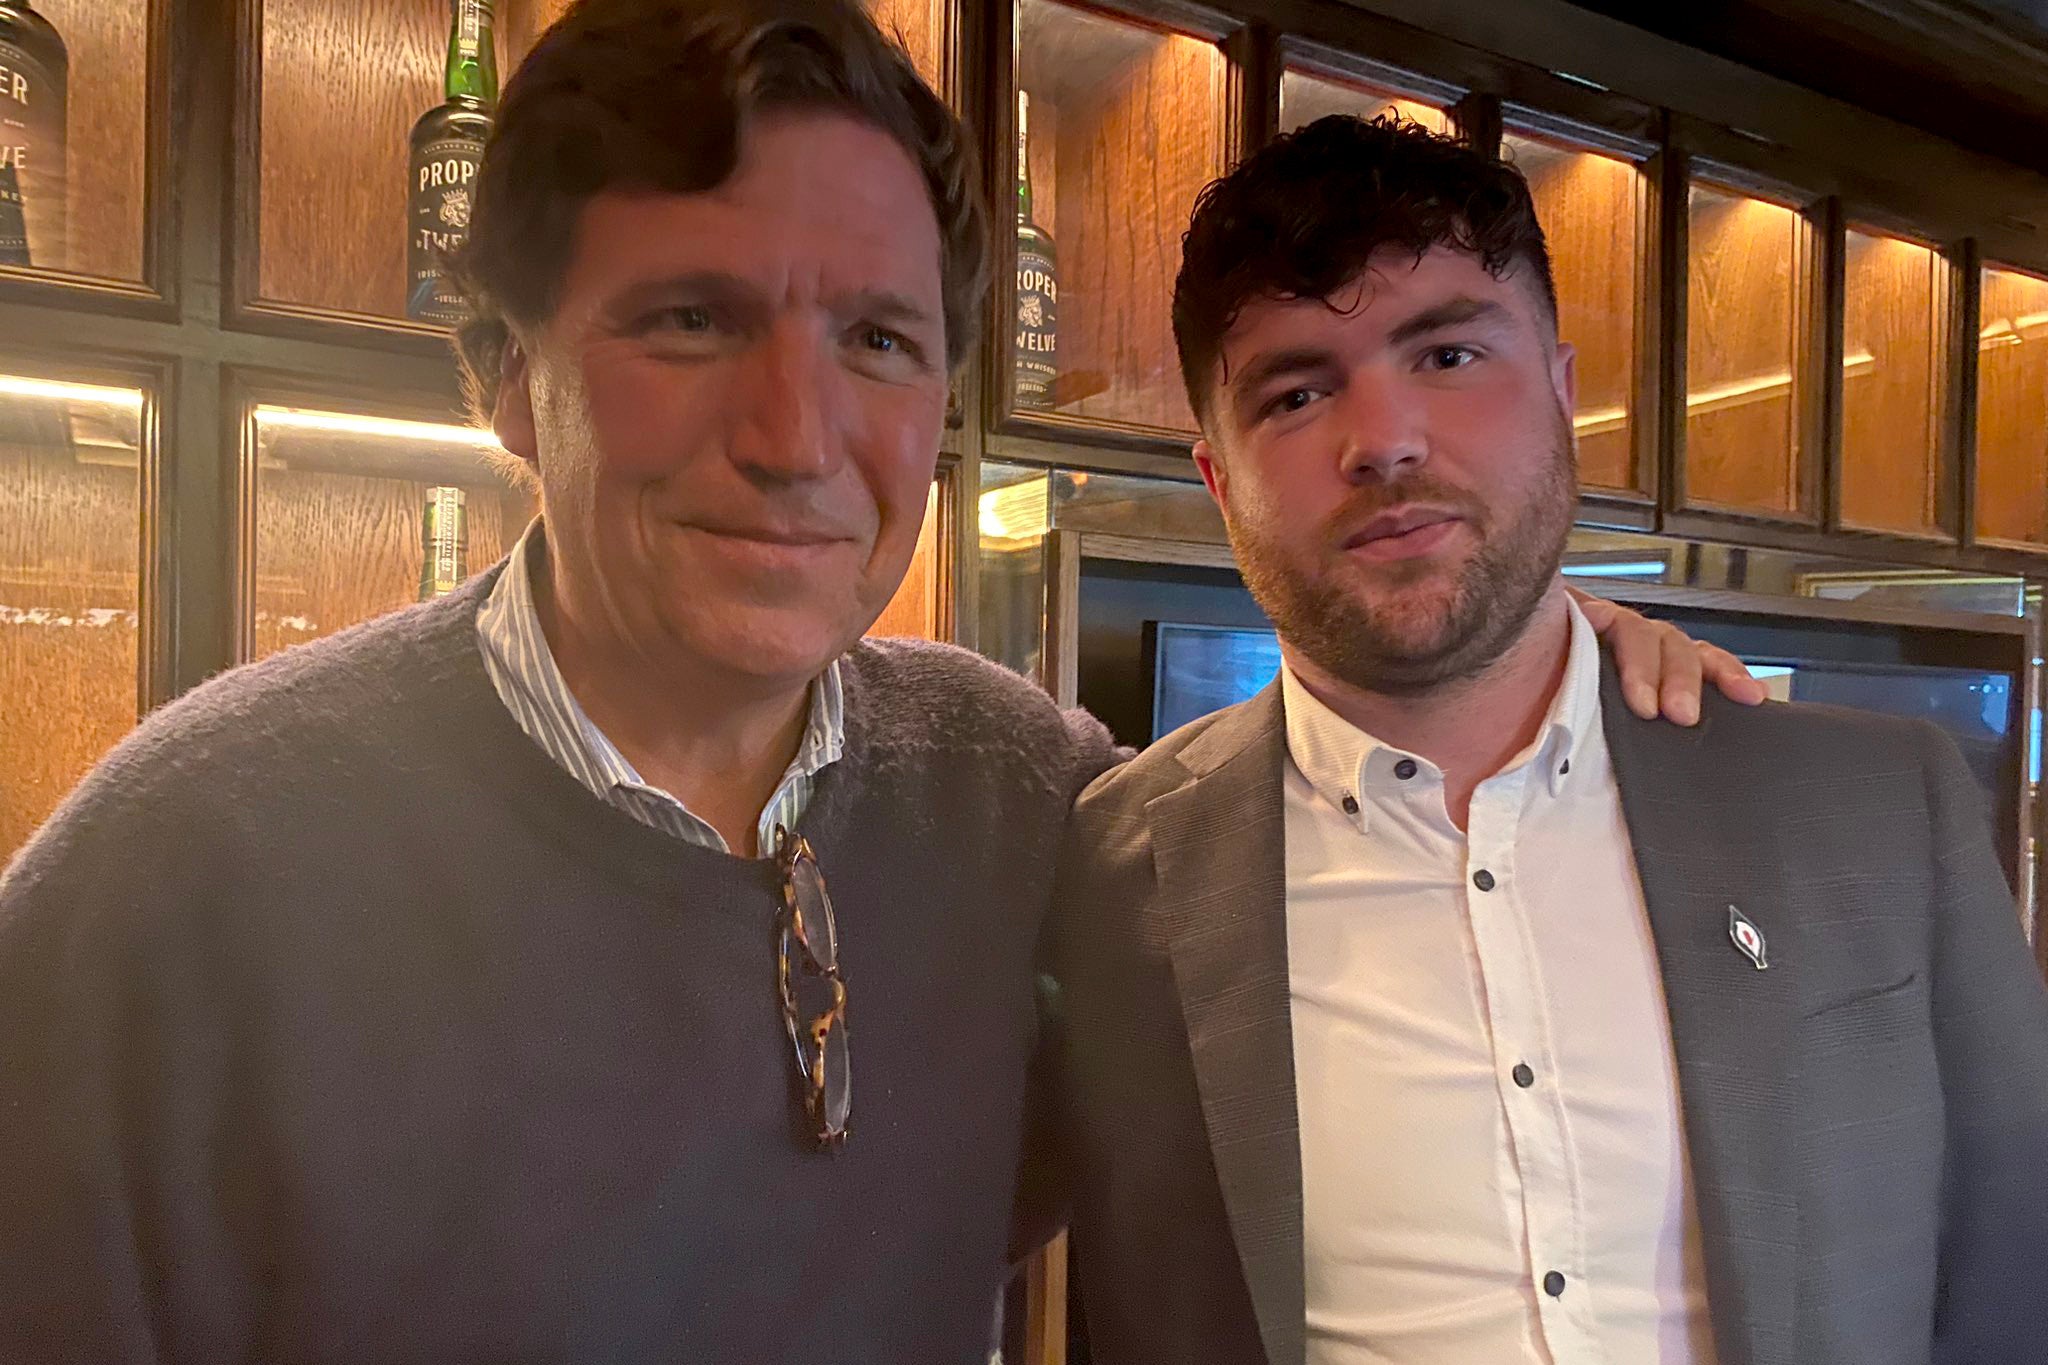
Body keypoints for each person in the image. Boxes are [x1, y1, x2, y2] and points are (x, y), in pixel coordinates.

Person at [0, 4, 1749, 1358]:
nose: (796, 439)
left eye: (878, 342)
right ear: (504, 383)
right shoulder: (179, 880)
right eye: (687, 320)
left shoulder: (1021, 799)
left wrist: (1563, 677)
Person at [1049, 115, 2048, 1365]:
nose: (1385, 440)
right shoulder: (1103, 865)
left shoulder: (1879, 806)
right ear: (1216, 475)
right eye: (1296, 392)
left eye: (1450, 353)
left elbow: (2015, 1276)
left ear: (1564, 393)